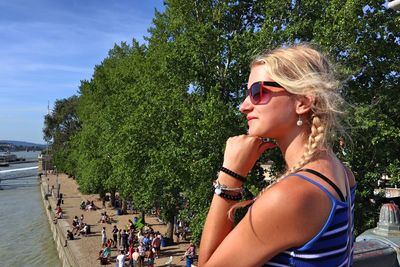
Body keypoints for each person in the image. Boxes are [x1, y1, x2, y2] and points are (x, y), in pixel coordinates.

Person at [198, 44, 356, 267]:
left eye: (257, 92)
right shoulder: (341, 172)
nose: (243, 106)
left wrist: (230, 175)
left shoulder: (289, 197)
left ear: (303, 101)